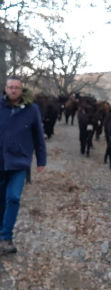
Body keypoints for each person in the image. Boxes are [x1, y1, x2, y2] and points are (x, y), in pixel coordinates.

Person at [0, 76, 46, 255]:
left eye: (16, 87)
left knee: (13, 197)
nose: (13, 90)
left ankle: (6, 237)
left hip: (19, 162)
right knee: (1, 199)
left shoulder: (31, 109)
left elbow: (39, 136)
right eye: (10, 87)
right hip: (0, 161)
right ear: (5, 88)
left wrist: (41, 160)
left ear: (21, 90)